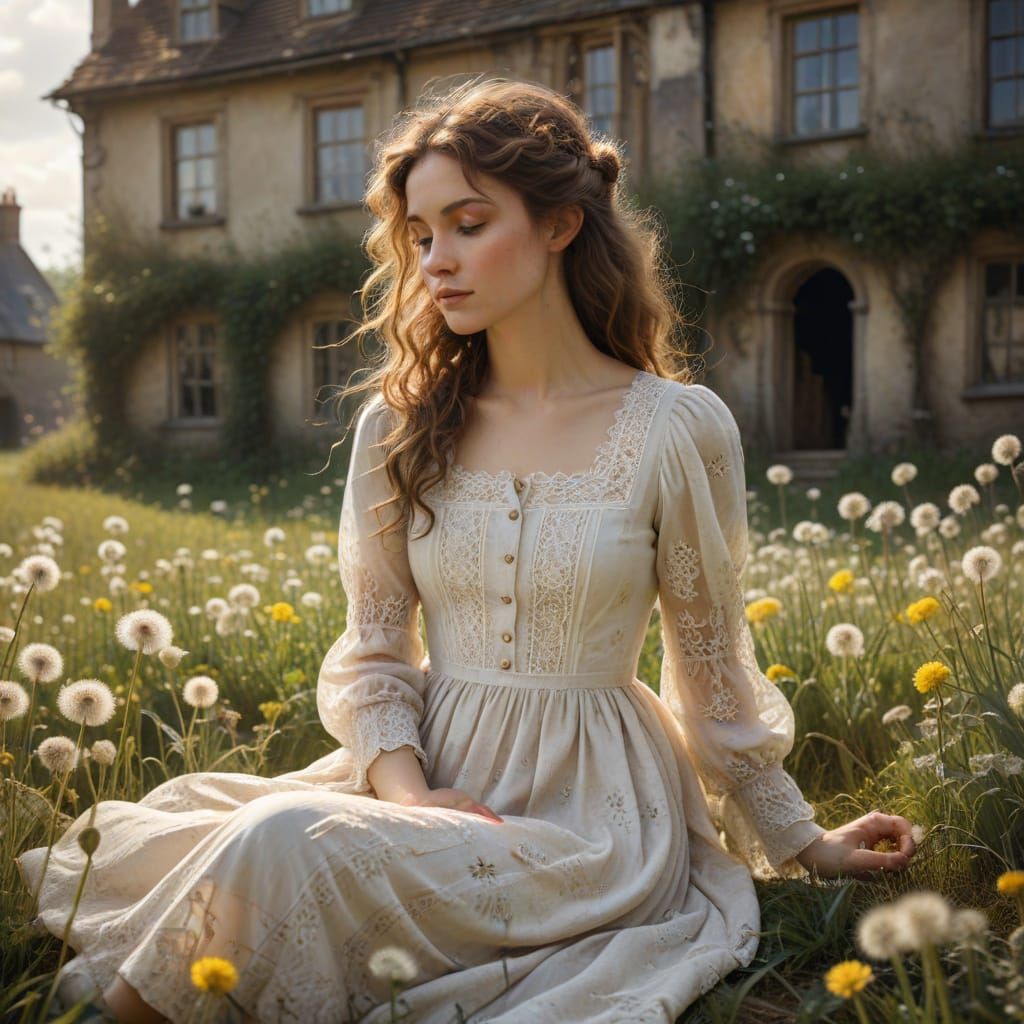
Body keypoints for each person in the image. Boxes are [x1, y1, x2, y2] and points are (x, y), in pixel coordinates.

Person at [16, 76, 916, 1024]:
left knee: (279, 841)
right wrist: (410, 797)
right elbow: (373, 649)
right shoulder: (399, 427)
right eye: (420, 233)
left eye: (469, 224)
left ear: (562, 224)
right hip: (432, 778)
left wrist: (802, 841)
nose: (437, 260)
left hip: (598, 822)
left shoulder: (675, 428)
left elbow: (712, 671)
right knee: (252, 834)